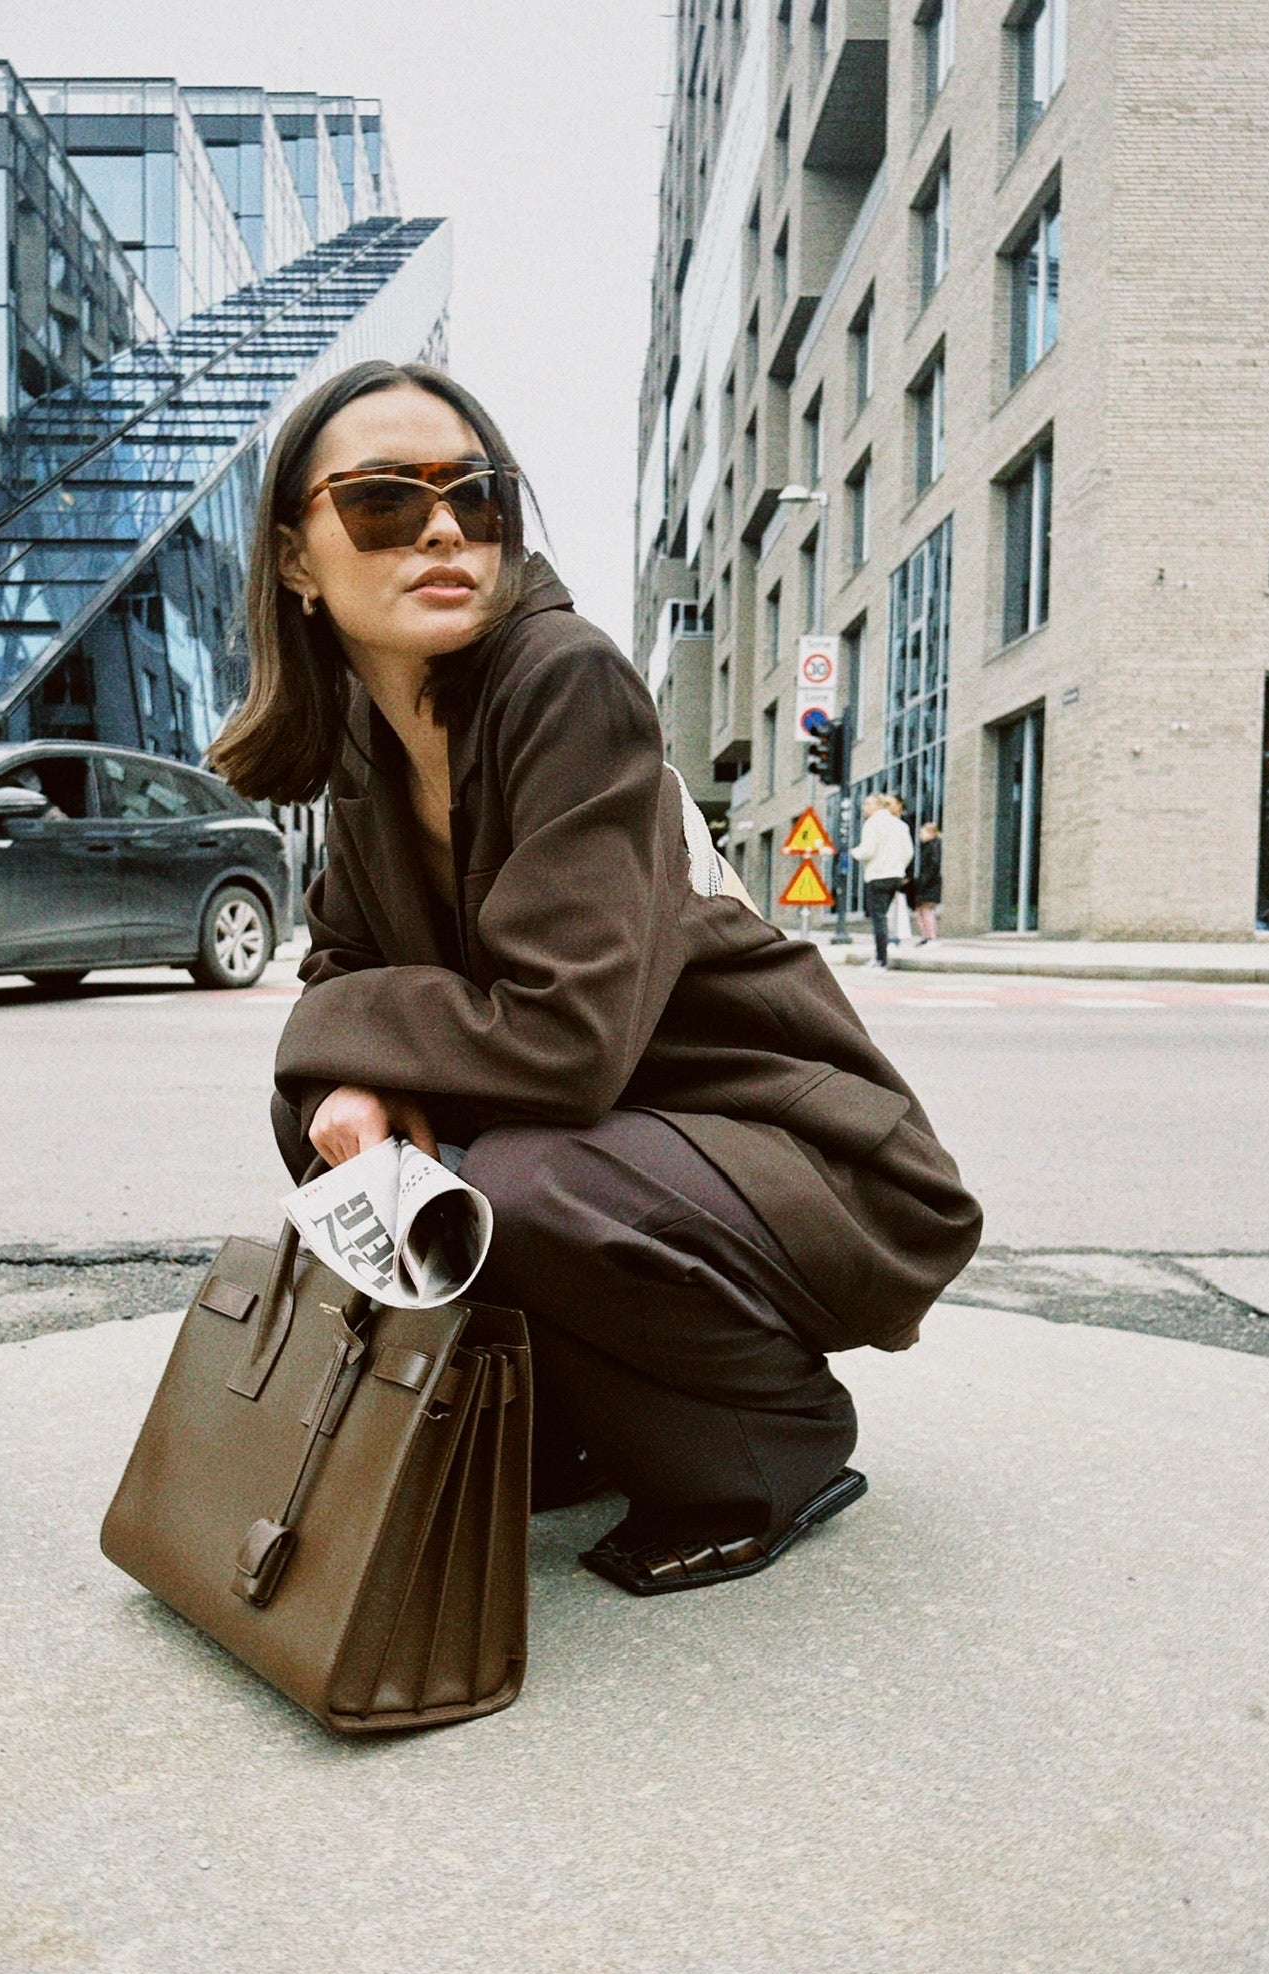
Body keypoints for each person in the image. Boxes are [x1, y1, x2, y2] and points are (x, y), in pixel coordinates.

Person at [209, 359, 981, 1598]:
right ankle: (571, 1419)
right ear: (297, 558)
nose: (445, 525)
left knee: (518, 1175)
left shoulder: (564, 679)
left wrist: (335, 1035)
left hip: (819, 1163)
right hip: (647, 1145)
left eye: (475, 493)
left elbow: (562, 1039)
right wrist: (337, 1075)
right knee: (342, 1123)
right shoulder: (369, 725)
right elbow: (348, 960)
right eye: (383, 504)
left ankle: (777, 1446)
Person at [851, 792, 914, 969]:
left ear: (877, 806)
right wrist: (899, 866)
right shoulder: (900, 825)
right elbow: (908, 852)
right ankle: (881, 956)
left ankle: (880, 960)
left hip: (877, 875)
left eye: (867, 804)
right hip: (895, 875)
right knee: (883, 916)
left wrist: (854, 852)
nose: (865, 808)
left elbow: (868, 850)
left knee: (879, 918)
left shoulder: (872, 823)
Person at [909, 822, 943, 943]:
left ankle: (931, 937)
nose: (920, 835)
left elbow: (933, 866)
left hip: (929, 884)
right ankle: (926, 936)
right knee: (921, 911)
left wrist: (922, 881)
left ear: (932, 834)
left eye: (923, 833)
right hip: (927, 883)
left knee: (926, 910)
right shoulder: (929, 846)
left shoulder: (933, 846)